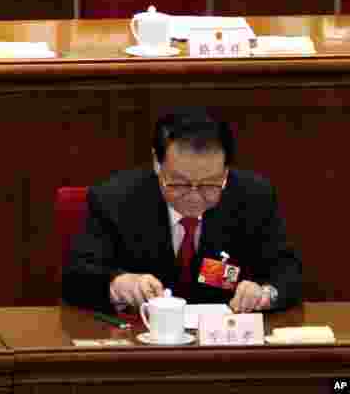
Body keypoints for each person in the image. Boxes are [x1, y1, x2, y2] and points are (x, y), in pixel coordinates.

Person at [63, 108, 302, 313]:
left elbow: (289, 273)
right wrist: (117, 285)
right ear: (157, 163)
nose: (194, 196)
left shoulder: (254, 197)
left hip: (225, 336)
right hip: (141, 336)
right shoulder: (113, 200)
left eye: (210, 184)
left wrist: (265, 293)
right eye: (180, 183)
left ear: (227, 170)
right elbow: (76, 278)